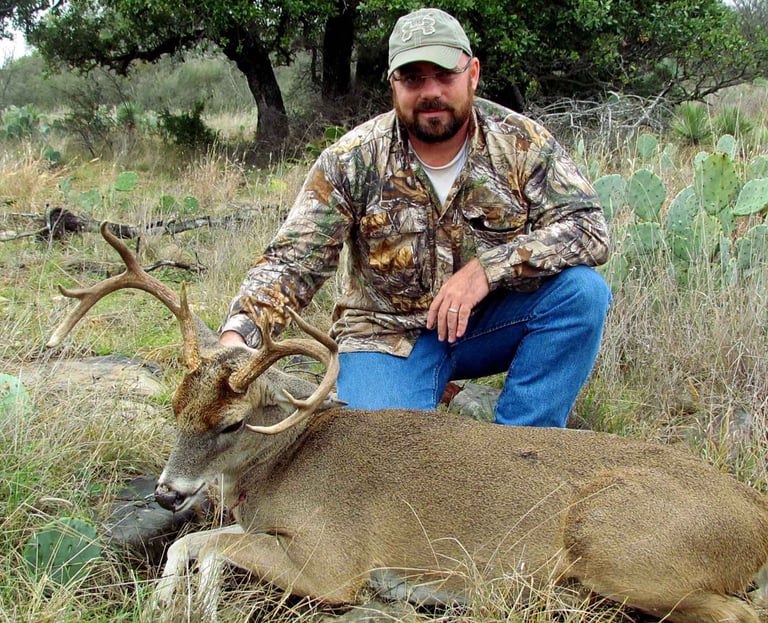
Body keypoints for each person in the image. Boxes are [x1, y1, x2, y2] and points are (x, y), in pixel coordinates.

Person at [220, 7, 612, 428]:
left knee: (582, 294)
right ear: (393, 84)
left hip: (487, 323)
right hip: (385, 337)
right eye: (413, 79)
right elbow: (291, 263)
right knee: (377, 454)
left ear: (473, 74)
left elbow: (588, 229)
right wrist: (237, 337)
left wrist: (486, 271)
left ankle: (522, 447)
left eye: (445, 76)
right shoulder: (351, 160)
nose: (431, 92)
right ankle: (416, 389)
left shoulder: (521, 143)